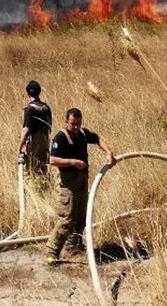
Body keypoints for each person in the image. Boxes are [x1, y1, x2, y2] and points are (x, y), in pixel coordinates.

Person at [45, 107, 115, 264]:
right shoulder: (60, 138)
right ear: (66, 122)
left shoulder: (83, 134)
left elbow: (97, 138)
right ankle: (52, 250)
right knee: (66, 218)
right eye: (72, 124)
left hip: (82, 182)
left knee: (81, 217)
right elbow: (52, 160)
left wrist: (109, 152)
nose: (75, 127)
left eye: (78, 124)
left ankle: (73, 247)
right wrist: (72, 162)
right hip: (67, 185)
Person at [16, 80, 53, 179]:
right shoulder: (46, 107)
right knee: (42, 168)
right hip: (45, 142)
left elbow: (26, 131)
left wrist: (19, 148)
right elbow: (49, 128)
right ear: (39, 91)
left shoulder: (30, 109)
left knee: (32, 170)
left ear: (28, 93)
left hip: (34, 144)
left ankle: (35, 189)